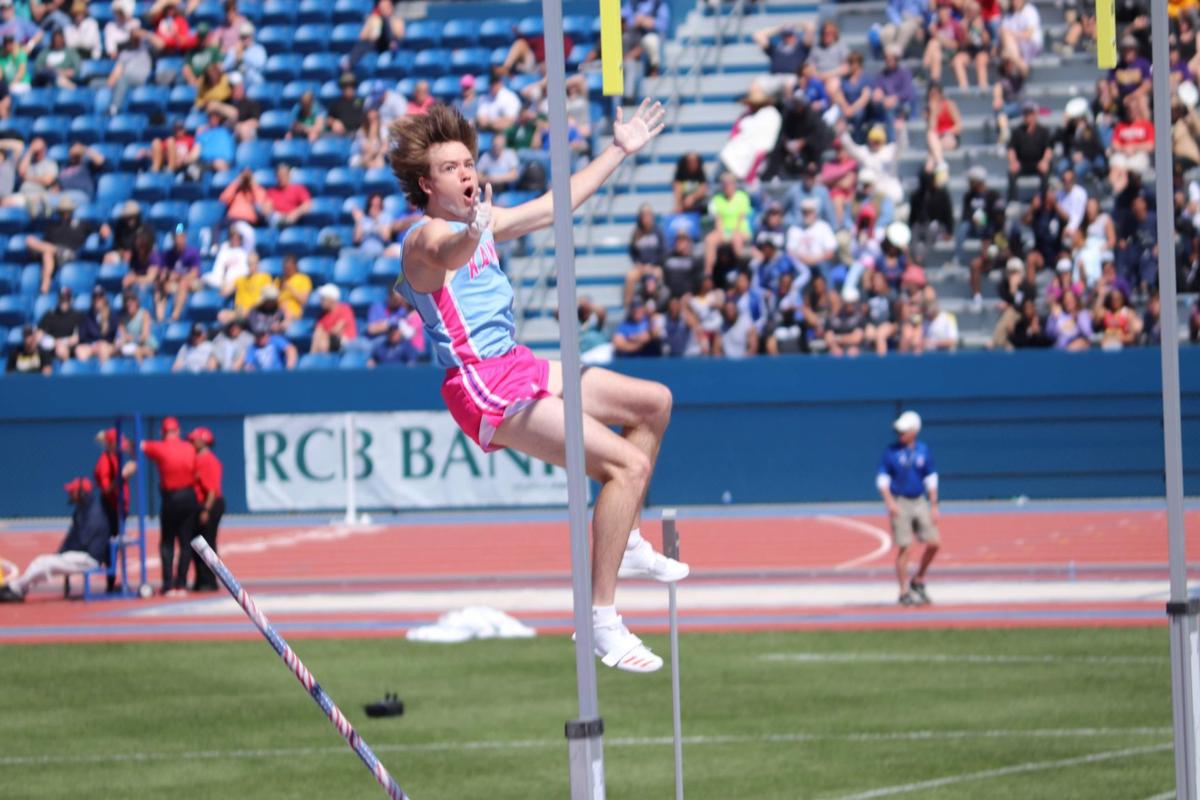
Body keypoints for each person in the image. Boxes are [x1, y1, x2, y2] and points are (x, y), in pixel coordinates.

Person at [391, 101, 686, 673]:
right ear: (427, 184)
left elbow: (559, 205)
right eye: (451, 168)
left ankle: (621, 538)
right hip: (480, 383)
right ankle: (600, 622)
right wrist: (472, 232)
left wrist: (618, 150)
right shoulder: (424, 238)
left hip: (517, 362)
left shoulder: (485, 222)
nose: (466, 172)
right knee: (626, 467)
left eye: (469, 162)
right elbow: (445, 252)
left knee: (654, 403)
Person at [0, 478, 109, 602]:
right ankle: (18, 588)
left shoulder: (94, 512)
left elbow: (82, 541)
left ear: (81, 492)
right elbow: (71, 539)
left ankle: (16, 589)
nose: (70, 494)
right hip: (78, 554)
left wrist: (61, 556)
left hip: (88, 558)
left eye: (72, 491)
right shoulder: (82, 509)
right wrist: (60, 554)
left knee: (45, 563)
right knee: (42, 562)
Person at [876, 410, 940, 606]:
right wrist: (890, 502)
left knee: (934, 543)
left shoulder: (923, 450)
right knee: (905, 547)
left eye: (904, 431)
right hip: (900, 501)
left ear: (914, 431)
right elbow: (882, 479)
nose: (900, 435)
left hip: (919, 500)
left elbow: (931, 478)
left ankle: (918, 580)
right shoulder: (891, 452)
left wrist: (934, 505)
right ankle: (903, 591)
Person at [140, 417, 197, 596]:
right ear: (178, 431)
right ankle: (181, 582)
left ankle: (168, 583)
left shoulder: (160, 447)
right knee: (186, 542)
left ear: (163, 432)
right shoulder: (189, 447)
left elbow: (138, 446)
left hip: (171, 498)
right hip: (189, 496)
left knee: (167, 542)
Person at [188, 426, 224, 592]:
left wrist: (206, 510)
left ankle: (208, 581)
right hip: (204, 505)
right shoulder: (198, 458)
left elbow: (211, 489)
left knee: (207, 544)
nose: (191, 442)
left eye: (194, 439)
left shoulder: (207, 460)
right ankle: (201, 579)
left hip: (209, 505)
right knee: (198, 544)